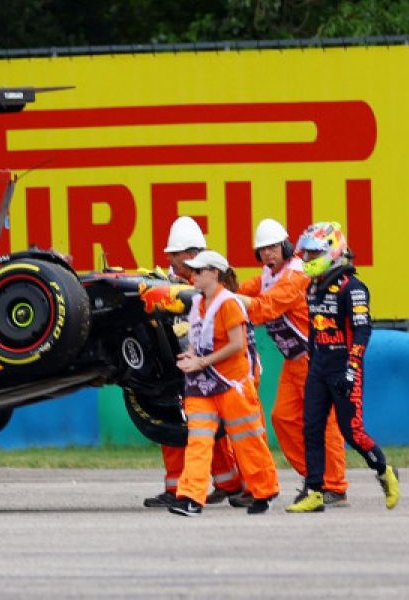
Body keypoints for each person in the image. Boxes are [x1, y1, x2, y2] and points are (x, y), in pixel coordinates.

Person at [286, 222, 400, 512]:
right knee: (311, 428)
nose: (307, 260)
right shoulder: (313, 288)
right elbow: (313, 330)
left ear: (331, 252)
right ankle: (314, 491)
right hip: (319, 368)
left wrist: (351, 369)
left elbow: (363, 331)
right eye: (306, 254)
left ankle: (385, 470)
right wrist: (313, 360)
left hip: (344, 369)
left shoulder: (354, 287)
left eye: (313, 254)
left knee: (353, 432)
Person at [238, 218, 349, 506]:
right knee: (283, 419)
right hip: (293, 361)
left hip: (315, 358)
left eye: (273, 248)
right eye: (262, 250)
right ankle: (316, 479)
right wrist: (214, 293)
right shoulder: (268, 274)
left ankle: (335, 487)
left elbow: (264, 309)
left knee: (326, 424)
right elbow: (243, 289)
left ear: (286, 246)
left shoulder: (295, 275)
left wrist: (224, 301)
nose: (267, 254)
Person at [142, 217, 244, 509]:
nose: (171, 262)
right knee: (177, 426)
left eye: (175, 256)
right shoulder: (169, 282)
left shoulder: (210, 285)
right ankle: (184, 487)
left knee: (217, 430)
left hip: (213, 367)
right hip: (183, 367)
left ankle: (232, 483)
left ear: (189, 254)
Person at [170, 250, 280, 516]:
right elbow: (200, 342)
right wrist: (192, 356)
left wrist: (201, 362)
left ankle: (264, 491)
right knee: (198, 440)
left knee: (248, 440)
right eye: (192, 271)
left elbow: (237, 345)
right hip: (203, 385)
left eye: (198, 271)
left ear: (214, 274)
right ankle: (191, 498)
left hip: (232, 384)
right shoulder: (198, 304)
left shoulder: (229, 303)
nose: (192, 275)